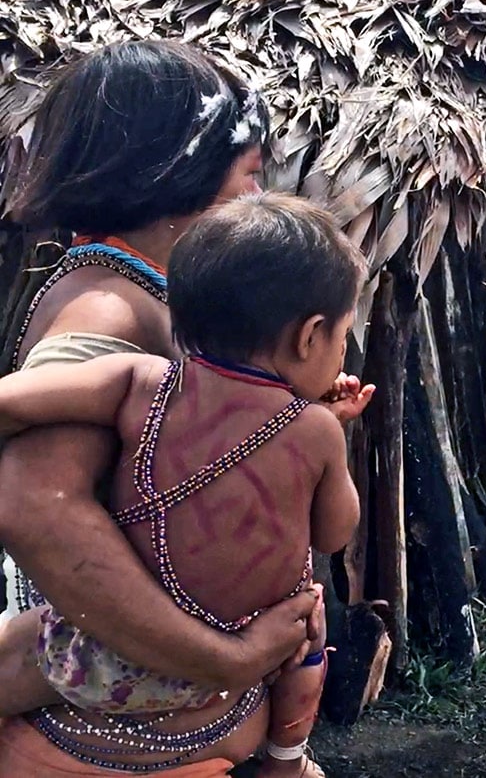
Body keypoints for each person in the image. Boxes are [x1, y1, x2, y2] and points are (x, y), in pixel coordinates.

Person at [0, 42, 322, 773]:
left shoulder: (140, 290)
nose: (253, 206)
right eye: (248, 179)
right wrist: (225, 657)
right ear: (176, 175)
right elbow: (34, 506)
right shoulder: (107, 311)